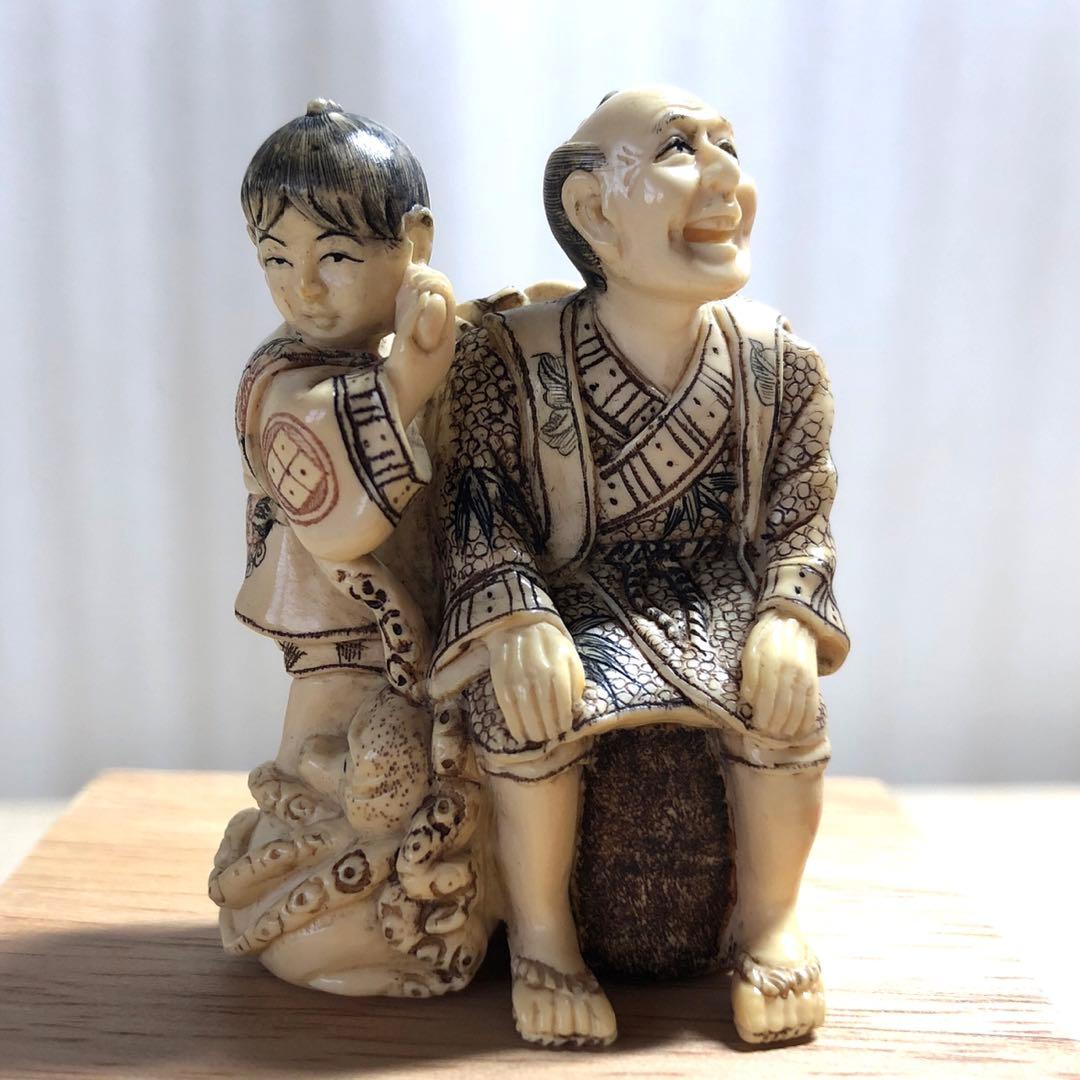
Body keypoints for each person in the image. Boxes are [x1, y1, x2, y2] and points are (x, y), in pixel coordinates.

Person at [430, 85, 849, 1047]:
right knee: (529, 702)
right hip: (572, 599)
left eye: (728, 145)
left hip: (720, 599)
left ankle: (771, 927)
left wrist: (790, 617)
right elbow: (479, 510)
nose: (727, 176)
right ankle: (545, 939)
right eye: (679, 150)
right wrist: (518, 620)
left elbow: (803, 520)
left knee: (784, 703)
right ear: (593, 212)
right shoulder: (509, 357)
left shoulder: (783, 367)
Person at [210, 99, 481, 995]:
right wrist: (403, 385)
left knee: (429, 762)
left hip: (432, 618)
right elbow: (335, 507)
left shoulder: (415, 345)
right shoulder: (283, 377)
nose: (304, 289)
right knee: (324, 748)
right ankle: (325, 904)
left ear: (414, 244)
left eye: (334, 257)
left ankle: (421, 890)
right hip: (333, 617)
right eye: (275, 260)